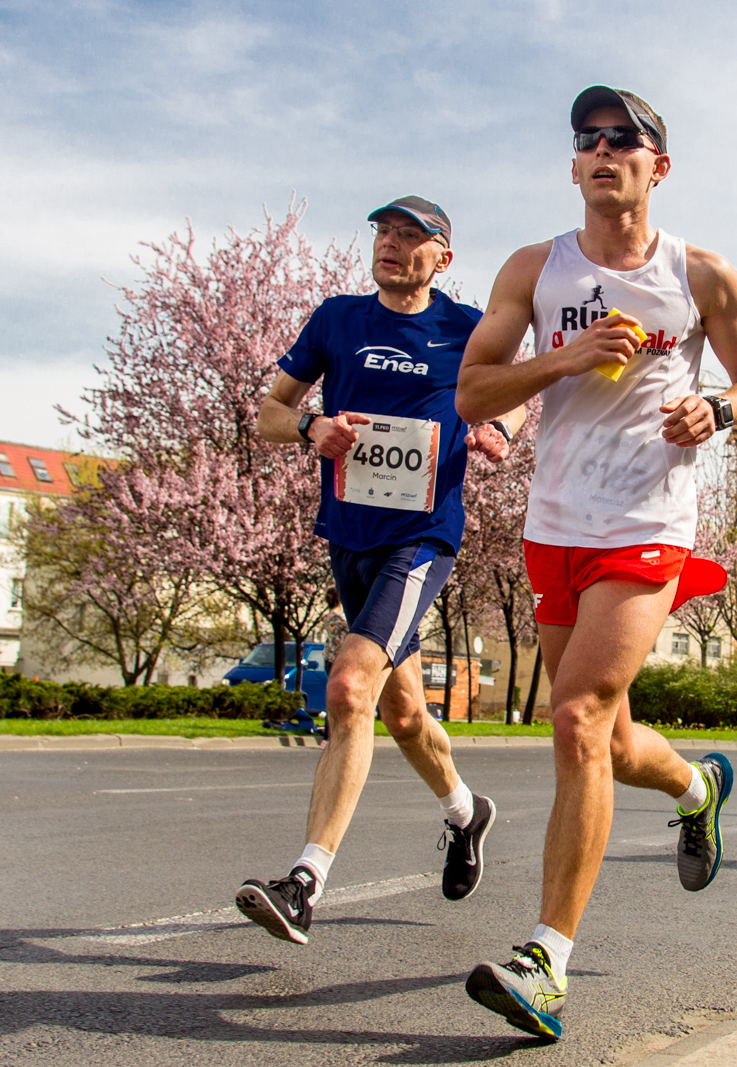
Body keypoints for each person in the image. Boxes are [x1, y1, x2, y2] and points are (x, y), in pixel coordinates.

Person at [454, 85, 737, 1039]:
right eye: (587, 141)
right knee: (614, 741)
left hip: (650, 519)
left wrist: (717, 410)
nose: (603, 151)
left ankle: (545, 963)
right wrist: (561, 359)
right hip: (556, 525)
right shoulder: (535, 269)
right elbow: (473, 392)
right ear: (572, 167)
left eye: (624, 140)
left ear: (656, 167)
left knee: (577, 715)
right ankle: (697, 786)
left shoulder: (701, 274)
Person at [234, 195, 526, 945]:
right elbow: (268, 413)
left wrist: (494, 428)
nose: (392, 245)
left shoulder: (464, 328)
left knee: (348, 682)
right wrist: (311, 425)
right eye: (383, 233)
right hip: (350, 535)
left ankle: (304, 881)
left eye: (411, 236)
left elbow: (521, 393)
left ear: (442, 257)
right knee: (400, 713)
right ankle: (466, 811)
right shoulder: (337, 318)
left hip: (422, 538)